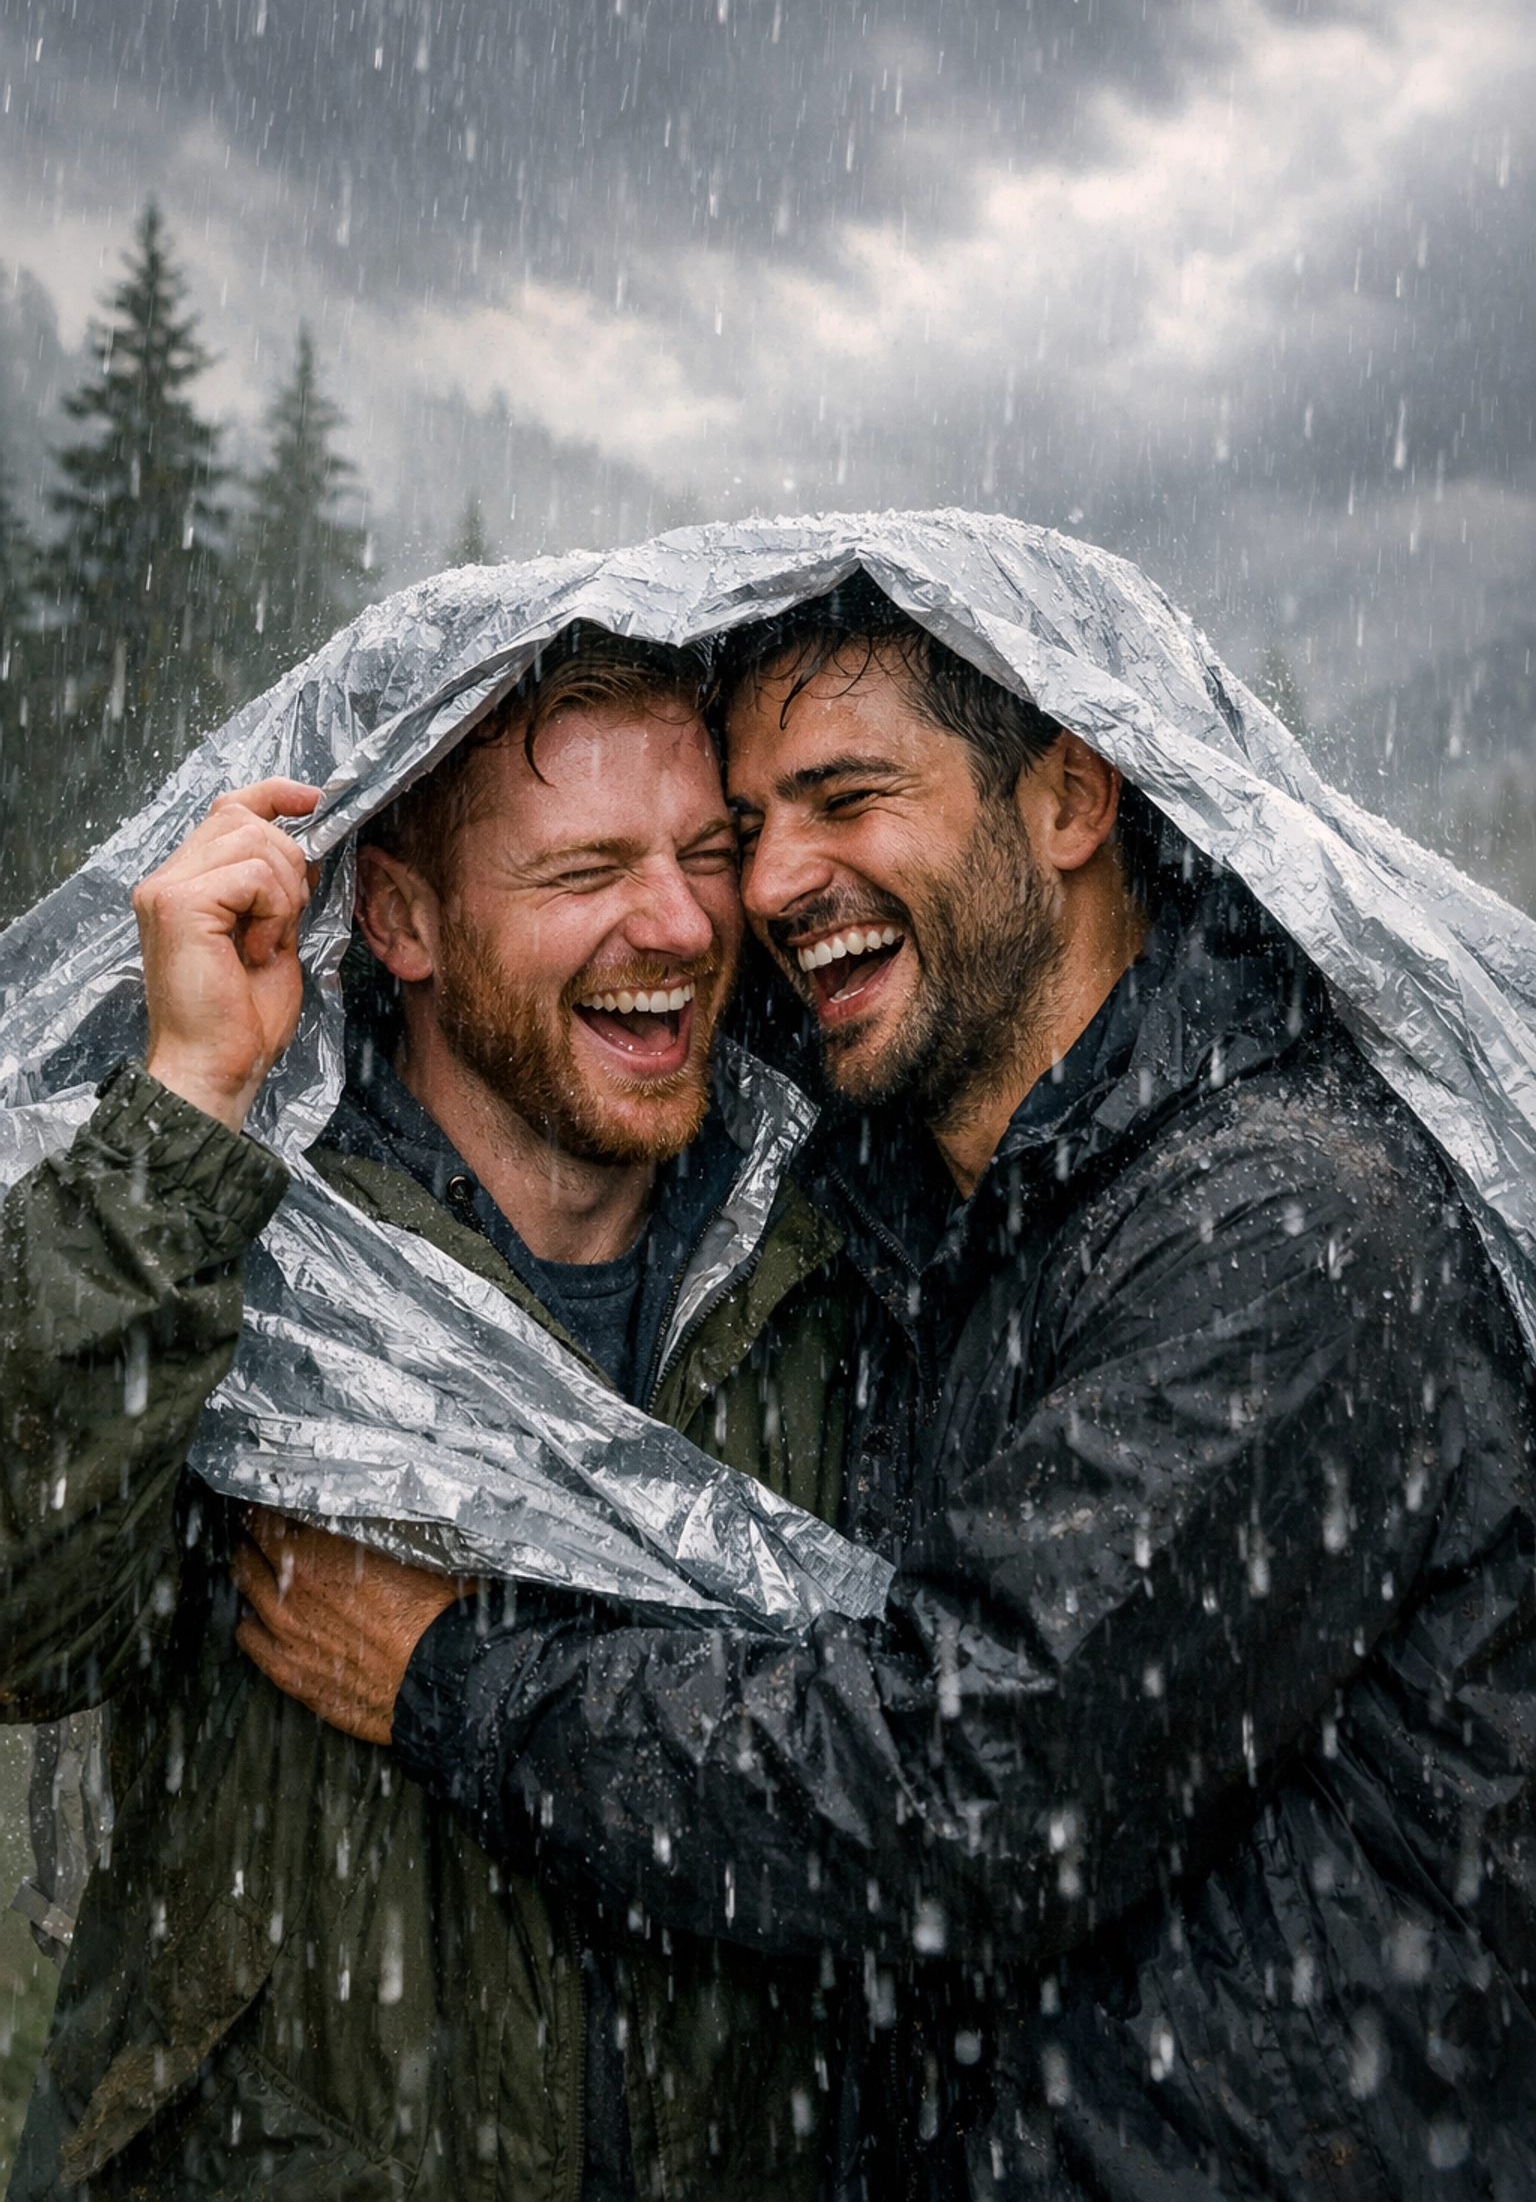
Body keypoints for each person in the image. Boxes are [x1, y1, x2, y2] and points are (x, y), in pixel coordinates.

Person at [244, 571, 1536, 2199]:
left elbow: (971, 1779)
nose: (766, 888)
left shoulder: (1280, 1225)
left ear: (1071, 795)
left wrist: (456, 1683)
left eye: (847, 799)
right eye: (751, 823)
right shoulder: (924, 1218)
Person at [0, 628, 851, 2201]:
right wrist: (186, 1100)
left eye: (706, 851)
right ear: (400, 917)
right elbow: (24, 1619)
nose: (675, 921)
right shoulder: (247, 1254)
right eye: (585, 869)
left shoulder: (832, 1254)